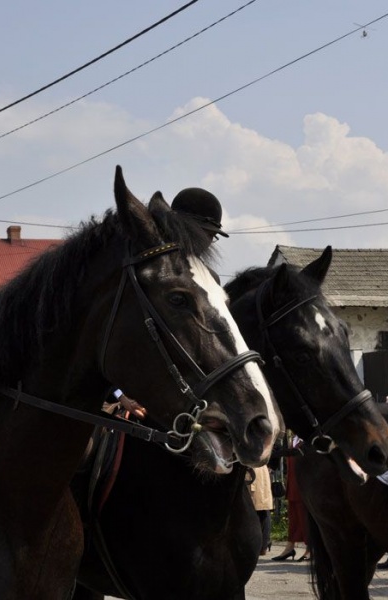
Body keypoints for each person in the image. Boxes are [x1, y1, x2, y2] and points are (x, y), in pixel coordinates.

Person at [110, 186, 227, 419]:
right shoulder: (147, 273)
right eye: (205, 234)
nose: (208, 243)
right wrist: (120, 395)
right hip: (130, 395)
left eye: (212, 237)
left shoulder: (211, 281)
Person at [271, 435, 310, 561]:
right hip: (293, 483)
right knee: (294, 518)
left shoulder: (308, 438)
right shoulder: (292, 439)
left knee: (305, 518)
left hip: (304, 484)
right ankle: (290, 547)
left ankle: (310, 549)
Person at [247, 464, 274, 556]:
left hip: (253, 470)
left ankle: (262, 545)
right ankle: (263, 545)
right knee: (261, 508)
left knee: (259, 509)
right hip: (256, 470)